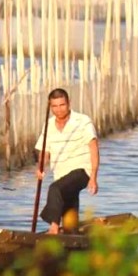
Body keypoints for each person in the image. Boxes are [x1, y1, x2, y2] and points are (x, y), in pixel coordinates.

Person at [35, 88, 99, 234]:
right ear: (50, 107)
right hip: (61, 175)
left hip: (82, 171)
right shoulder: (49, 125)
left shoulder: (82, 121)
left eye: (62, 105)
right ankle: (73, 239)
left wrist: (94, 177)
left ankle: (54, 228)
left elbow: (94, 148)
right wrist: (41, 167)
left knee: (55, 189)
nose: (58, 110)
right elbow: (45, 152)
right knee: (70, 220)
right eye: (54, 106)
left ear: (69, 103)